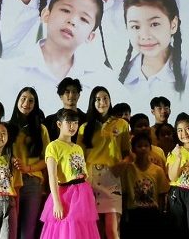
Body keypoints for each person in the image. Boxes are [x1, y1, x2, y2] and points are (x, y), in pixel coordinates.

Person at [10, 0, 128, 103]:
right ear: (46, 14)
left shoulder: (102, 78)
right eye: (66, 10)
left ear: (90, 36)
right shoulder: (13, 69)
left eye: (84, 19)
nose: (72, 21)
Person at [78, 87, 131, 239]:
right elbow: (79, 157)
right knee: (94, 230)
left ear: (110, 100)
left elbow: (127, 153)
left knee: (112, 229)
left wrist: (122, 164)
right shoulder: (84, 127)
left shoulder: (121, 124)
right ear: (92, 102)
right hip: (90, 179)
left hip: (112, 179)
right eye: (98, 99)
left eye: (105, 98)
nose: (102, 102)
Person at [40, 108, 99, 238]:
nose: (73, 126)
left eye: (75, 123)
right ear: (59, 124)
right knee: (66, 227)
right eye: (69, 122)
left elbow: (83, 173)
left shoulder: (78, 148)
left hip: (82, 193)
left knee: (82, 228)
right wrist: (57, 202)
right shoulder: (53, 146)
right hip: (66, 193)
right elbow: (52, 176)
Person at [118, 0, 187, 96]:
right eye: (136, 27)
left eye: (154, 24)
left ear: (173, 25)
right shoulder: (120, 76)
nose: (145, 36)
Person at [8, 87, 51, 239]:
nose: (26, 103)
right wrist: (10, 159)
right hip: (11, 183)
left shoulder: (41, 129)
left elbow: (48, 159)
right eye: (23, 99)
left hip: (33, 182)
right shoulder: (7, 127)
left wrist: (28, 168)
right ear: (17, 101)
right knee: (10, 229)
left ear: (35, 104)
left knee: (28, 229)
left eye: (31, 101)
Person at [114, 133, 170, 239]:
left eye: (146, 146)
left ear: (150, 148)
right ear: (133, 149)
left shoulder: (157, 170)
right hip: (134, 213)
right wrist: (125, 214)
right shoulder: (128, 169)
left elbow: (162, 194)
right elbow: (124, 194)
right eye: (139, 146)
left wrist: (161, 213)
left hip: (152, 212)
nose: (143, 148)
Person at [43, 77, 87, 141]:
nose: (71, 95)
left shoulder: (87, 119)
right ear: (60, 96)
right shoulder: (50, 121)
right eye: (67, 92)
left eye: (74, 92)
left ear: (79, 95)